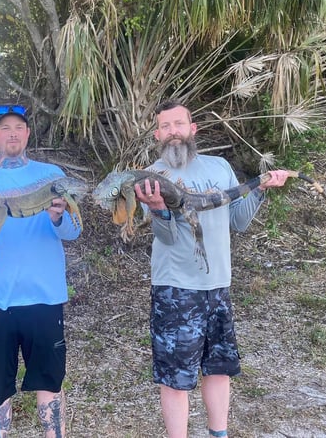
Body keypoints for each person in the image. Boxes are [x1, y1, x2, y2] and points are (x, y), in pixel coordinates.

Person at [133, 99, 290, 438]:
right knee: (176, 378)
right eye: (165, 126)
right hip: (175, 289)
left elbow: (238, 221)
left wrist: (260, 189)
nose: (173, 131)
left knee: (218, 370)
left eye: (179, 124)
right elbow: (167, 238)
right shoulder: (152, 177)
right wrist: (159, 210)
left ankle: (219, 434)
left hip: (218, 285)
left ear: (193, 129)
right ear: (158, 134)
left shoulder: (219, 167)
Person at [0, 104, 81, 438]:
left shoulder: (51, 176)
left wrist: (58, 216)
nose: (12, 133)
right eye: (4, 127)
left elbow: (74, 231)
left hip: (43, 298)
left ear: (27, 134)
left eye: (19, 127)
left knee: (50, 382)